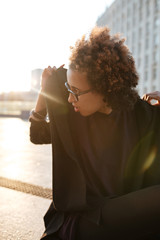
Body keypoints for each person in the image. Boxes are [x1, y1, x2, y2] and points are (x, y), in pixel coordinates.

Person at [29, 26, 160, 240]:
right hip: (85, 217)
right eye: (68, 89)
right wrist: (44, 92)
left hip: (126, 210)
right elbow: (37, 135)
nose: (70, 98)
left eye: (76, 92)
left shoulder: (138, 114)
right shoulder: (73, 118)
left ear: (106, 87)